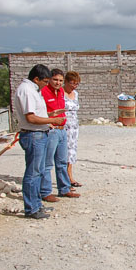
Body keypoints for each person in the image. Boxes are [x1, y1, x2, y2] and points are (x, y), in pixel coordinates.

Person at [14, 64, 65, 219]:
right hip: (33, 135)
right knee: (33, 173)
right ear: (36, 79)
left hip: (38, 134)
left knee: (38, 171)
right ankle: (31, 208)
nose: (46, 84)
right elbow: (31, 118)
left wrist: (49, 114)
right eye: (45, 81)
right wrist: (53, 119)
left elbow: (35, 114)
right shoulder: (27, 91)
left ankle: (36, 204)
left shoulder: (31, 89)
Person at [40, 69, 80, 202]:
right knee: (47, 163)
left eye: (60, 80)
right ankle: (45, 192)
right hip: (52, 130)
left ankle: (64, 189)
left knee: (62, 161)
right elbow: (40, 110)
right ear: (50, 79)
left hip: (64, 129)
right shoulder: (43, 92)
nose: (58, 83)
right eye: (55, 80)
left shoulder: (61, 92)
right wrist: (48, 122)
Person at [64, 71, 82, 186]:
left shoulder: (75, 93)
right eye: (72, 83)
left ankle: (70, 177)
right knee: (62, 153)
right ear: (65, 82)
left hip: (74, 127)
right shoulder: (60, 93)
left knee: (71, 152)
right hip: (63, 126)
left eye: (76, 84)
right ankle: (64, 178)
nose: (74, 86)